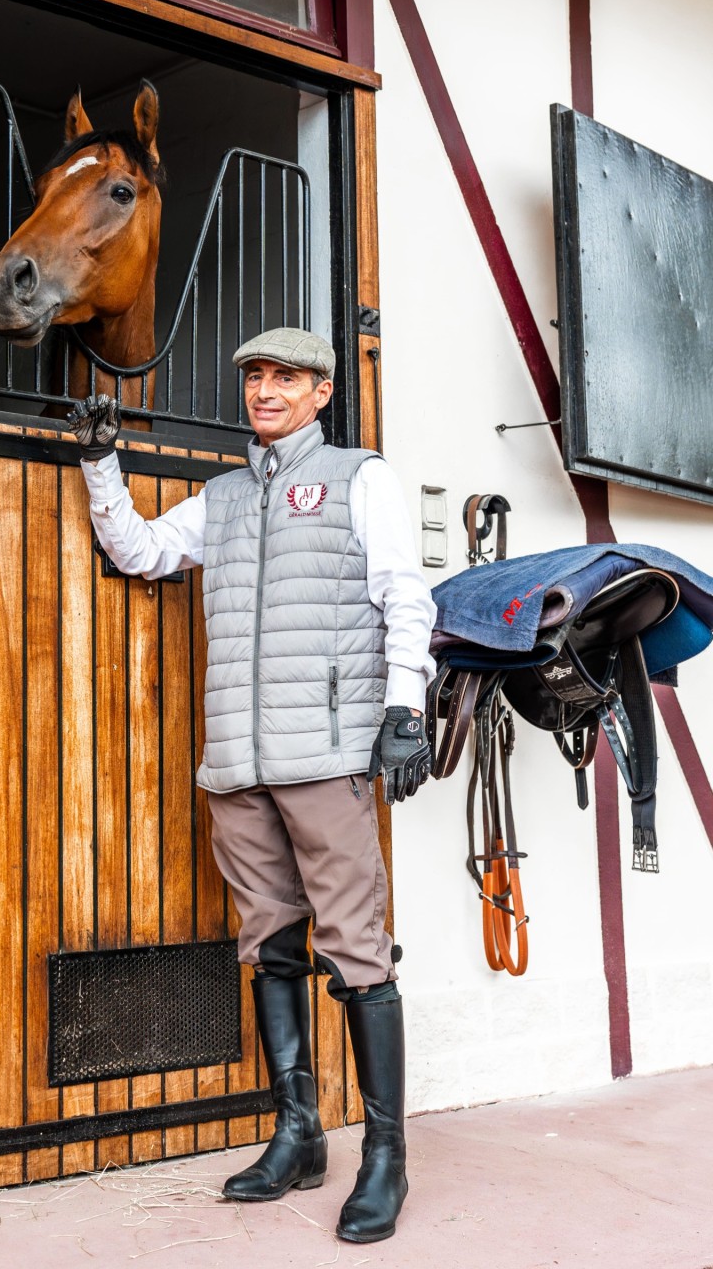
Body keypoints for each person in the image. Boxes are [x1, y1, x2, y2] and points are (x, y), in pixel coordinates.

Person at [69, 327, 436, 1245]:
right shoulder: (224, 497)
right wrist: (101, 466)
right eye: (256, 378)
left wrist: (404, 710)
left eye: (286, 378)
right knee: (270, 944)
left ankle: (385, 1156)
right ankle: (297, 1132)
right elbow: (142, 553)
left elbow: (404, 594)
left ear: (321, 393)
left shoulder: (362, 478)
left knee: (358, 952)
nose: (265, 391)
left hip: (326, 754)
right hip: (238, 762)